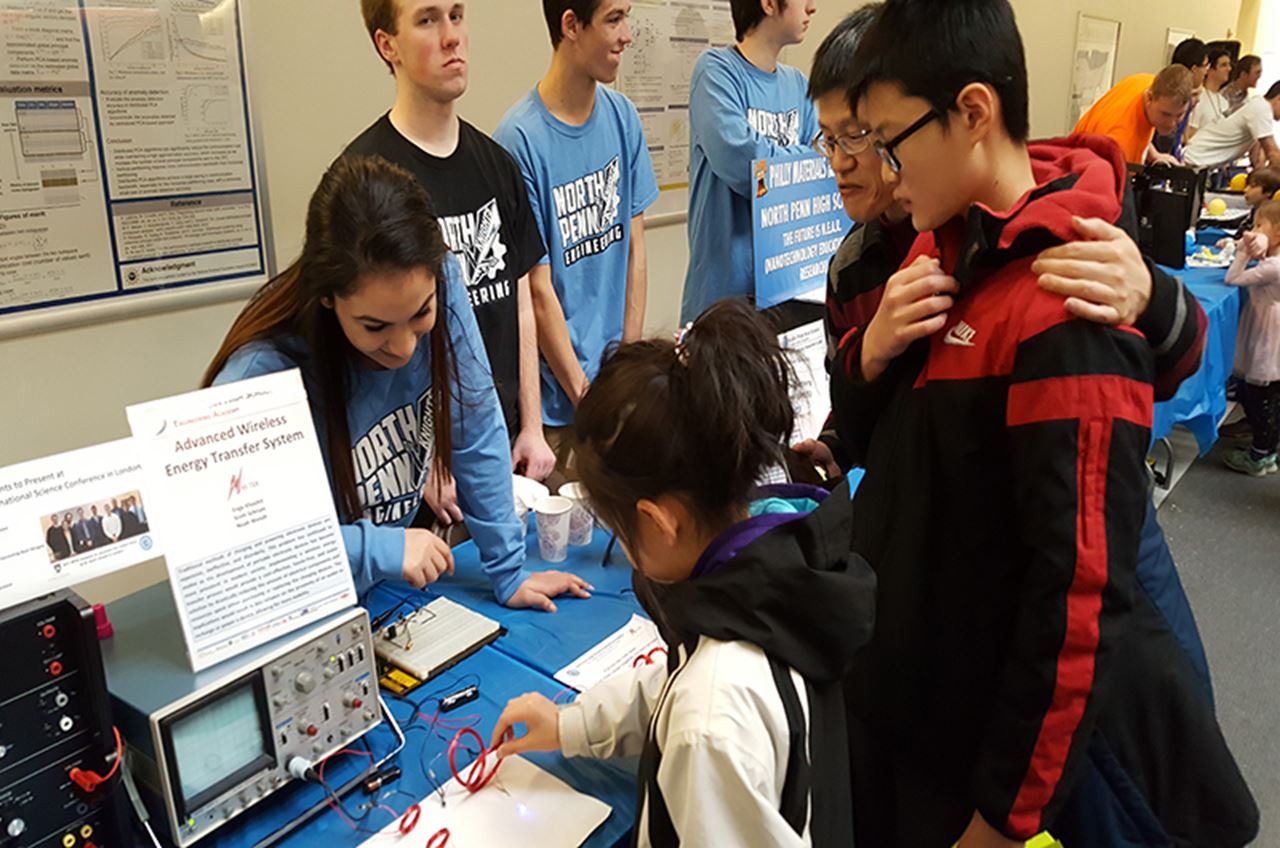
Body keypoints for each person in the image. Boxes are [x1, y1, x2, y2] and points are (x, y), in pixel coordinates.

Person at [840, 2, 1258, 845]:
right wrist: (868, 351)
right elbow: (873, 438)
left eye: (890, 141)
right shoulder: (939, 243)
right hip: (924, 686)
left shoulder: (1067, 291)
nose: (881, 170)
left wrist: (1005, 816)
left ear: (971, 112)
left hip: (994, 740)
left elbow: (1072, 600)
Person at [489, 300, 875, 847]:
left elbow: (701, 707)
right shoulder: (786, 578)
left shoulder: (709, 720)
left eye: (617, 525)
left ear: (656, 521)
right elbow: (680, 680)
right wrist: (571, 725)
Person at [204, 156, 590, 611]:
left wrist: (507, 571)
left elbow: (476, 423)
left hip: (379, 597)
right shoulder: (258, 376)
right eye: (374, 327)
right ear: (327, 297)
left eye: (420, 315)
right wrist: (379, 548)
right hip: (297, 613)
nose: (405, 348)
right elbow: (237, 547)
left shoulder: (440, 279)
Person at [348, 0, 558, 516]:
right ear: (386, 45)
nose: (451, 37)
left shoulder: (498, 166)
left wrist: (531, 425)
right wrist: (422, 461)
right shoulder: (365, 179)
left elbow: (522, 299)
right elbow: (363, 341)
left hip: (503, 445)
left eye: (457, 16)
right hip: (421, 474)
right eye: (427, 20)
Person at [494, 0, 658, 476]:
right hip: (560, 412)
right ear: (570, 25)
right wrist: (589, 400)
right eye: (613, 19)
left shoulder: (622, 117)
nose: (627, 34)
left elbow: (636, 250)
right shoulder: (520, 139)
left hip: (616, 390)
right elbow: (538, 291)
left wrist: (628, 376)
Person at [679, 0, 820, 323]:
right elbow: (745, 167)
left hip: (785, 294)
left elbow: (824, 167)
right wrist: (802, 159)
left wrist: (779, 162)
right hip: (722, 304)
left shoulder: (798, 84)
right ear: (769, 4)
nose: (812, 7)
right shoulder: (715, 71)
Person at [1221, 201, 1280, 476]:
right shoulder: (1273, 259)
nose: (1253, 230)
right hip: (1265, 326)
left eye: (1258, 225)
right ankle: (1266, 445)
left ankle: (1261, 454)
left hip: (1267, 334)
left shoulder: (1273, 267)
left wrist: (1243, 252)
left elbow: (1233, 278)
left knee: (1260, 395)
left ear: (1277, 233)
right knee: (1262, 395)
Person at [1073, 65, 1193, 166]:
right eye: (1165, 115)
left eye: (1179, 115)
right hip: (1084, 169)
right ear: (1150, 98)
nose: (1171, 123)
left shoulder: (1149, 83)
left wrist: (1154, 155)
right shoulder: (1120, 140)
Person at [1184, 81, 1280, 170]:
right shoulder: (1262, 109)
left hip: (1198, 162)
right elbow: (1273, 153)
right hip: (1193, 162)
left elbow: (1257, 159)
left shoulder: (1257, 105)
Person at [1188, 46, 1234, 138]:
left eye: (1229, 65)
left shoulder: (1224, 102)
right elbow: (1189, 133)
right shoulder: (1198, 97)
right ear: (1209, 69)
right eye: (1223, 65)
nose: (1229, 69)